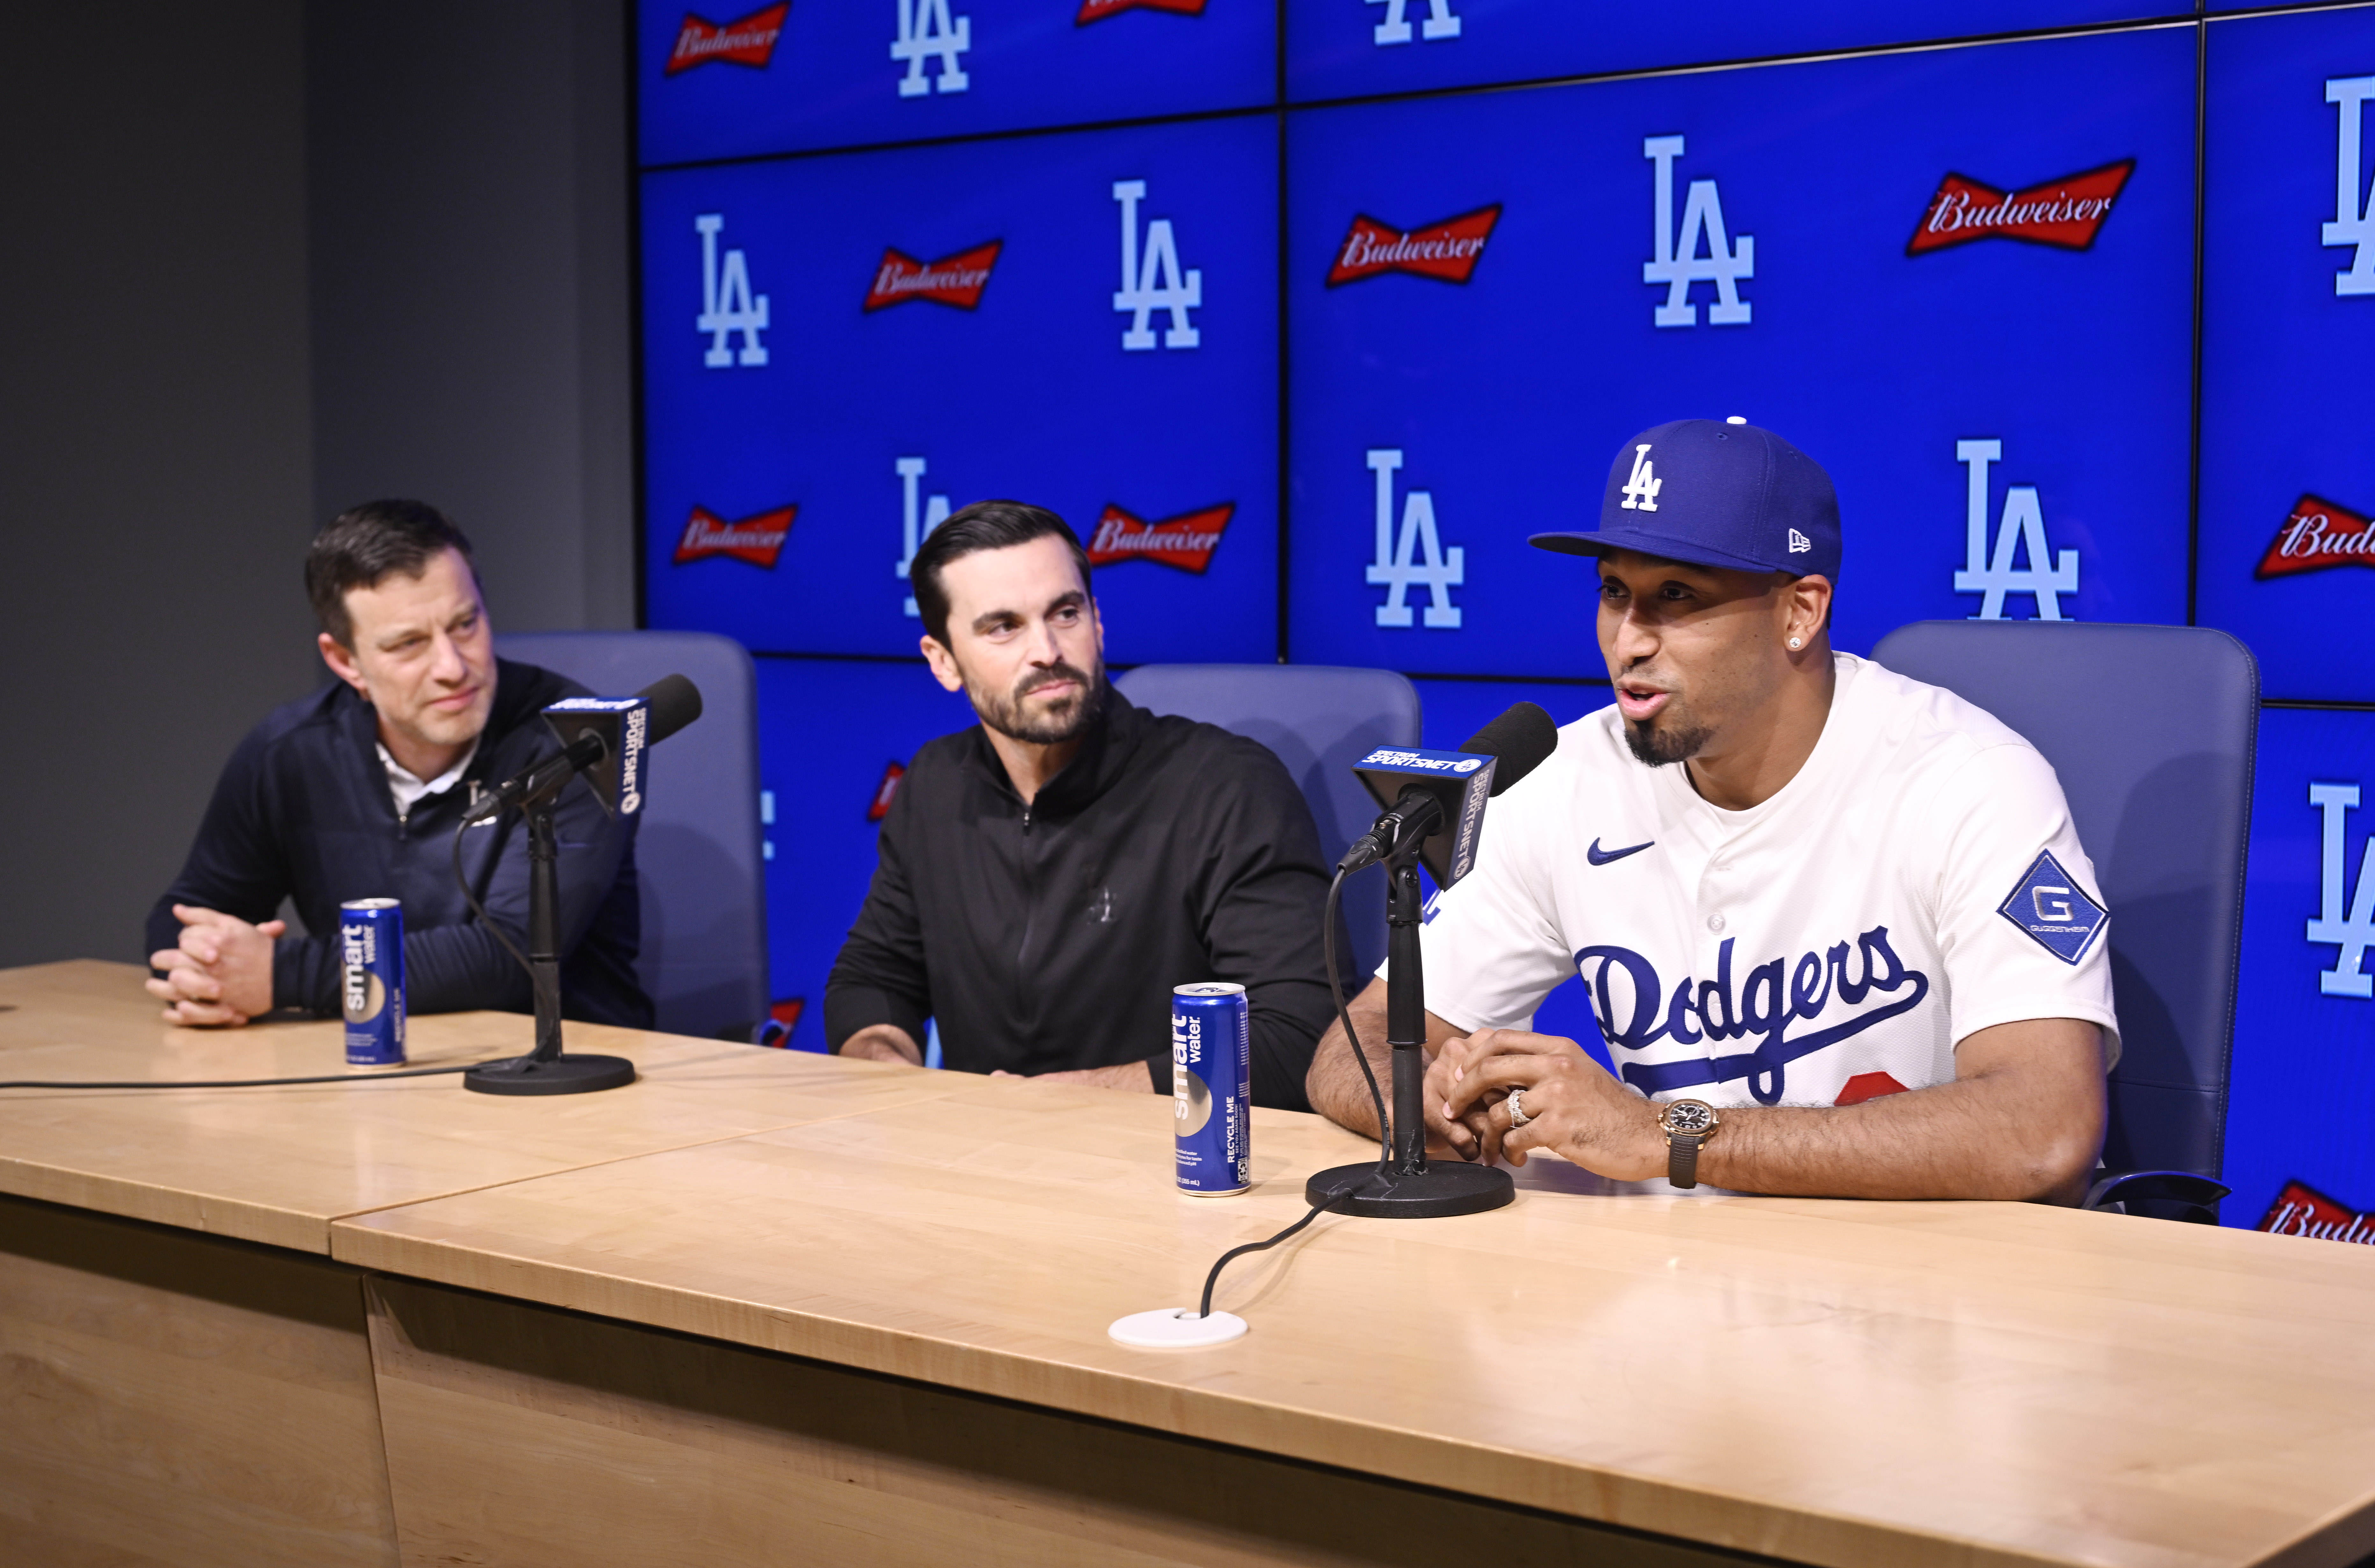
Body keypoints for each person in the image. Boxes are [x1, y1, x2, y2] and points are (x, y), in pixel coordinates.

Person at [1305, 419, 2117, 1203]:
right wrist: (1424, 1101)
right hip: (1674, 1289)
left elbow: (2045, 1127)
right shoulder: (1565, 778)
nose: (1627, 641)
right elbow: (1353, 1044)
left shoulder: (1969, 781)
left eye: (1676, 598)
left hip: (1926, 1289)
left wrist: (1668, 1135)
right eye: (1614, 593)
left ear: (1799, 612)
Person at [825, 500, 1340, 1108]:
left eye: (1064, 613)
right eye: (1003, 627)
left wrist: (1059, 1103)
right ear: (944, 662)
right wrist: (891, 1072)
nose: (1046, 649)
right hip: (977, 1167)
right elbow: (873, 978)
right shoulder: (936, 784)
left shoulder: (1226, 787)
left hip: (1172, 1169)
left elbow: (1298, 1037)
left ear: (1097, 623)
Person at [145, 500, 652, 1030]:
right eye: (409, 644)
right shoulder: (290, 753)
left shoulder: (581, 741)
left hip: (567, 1080)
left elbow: (512, 956)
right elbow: (188, 910)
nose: (452, 668)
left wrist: (278, 975)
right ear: (345, 661)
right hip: (373, 1073)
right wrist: (205, 970)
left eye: (465, 624)